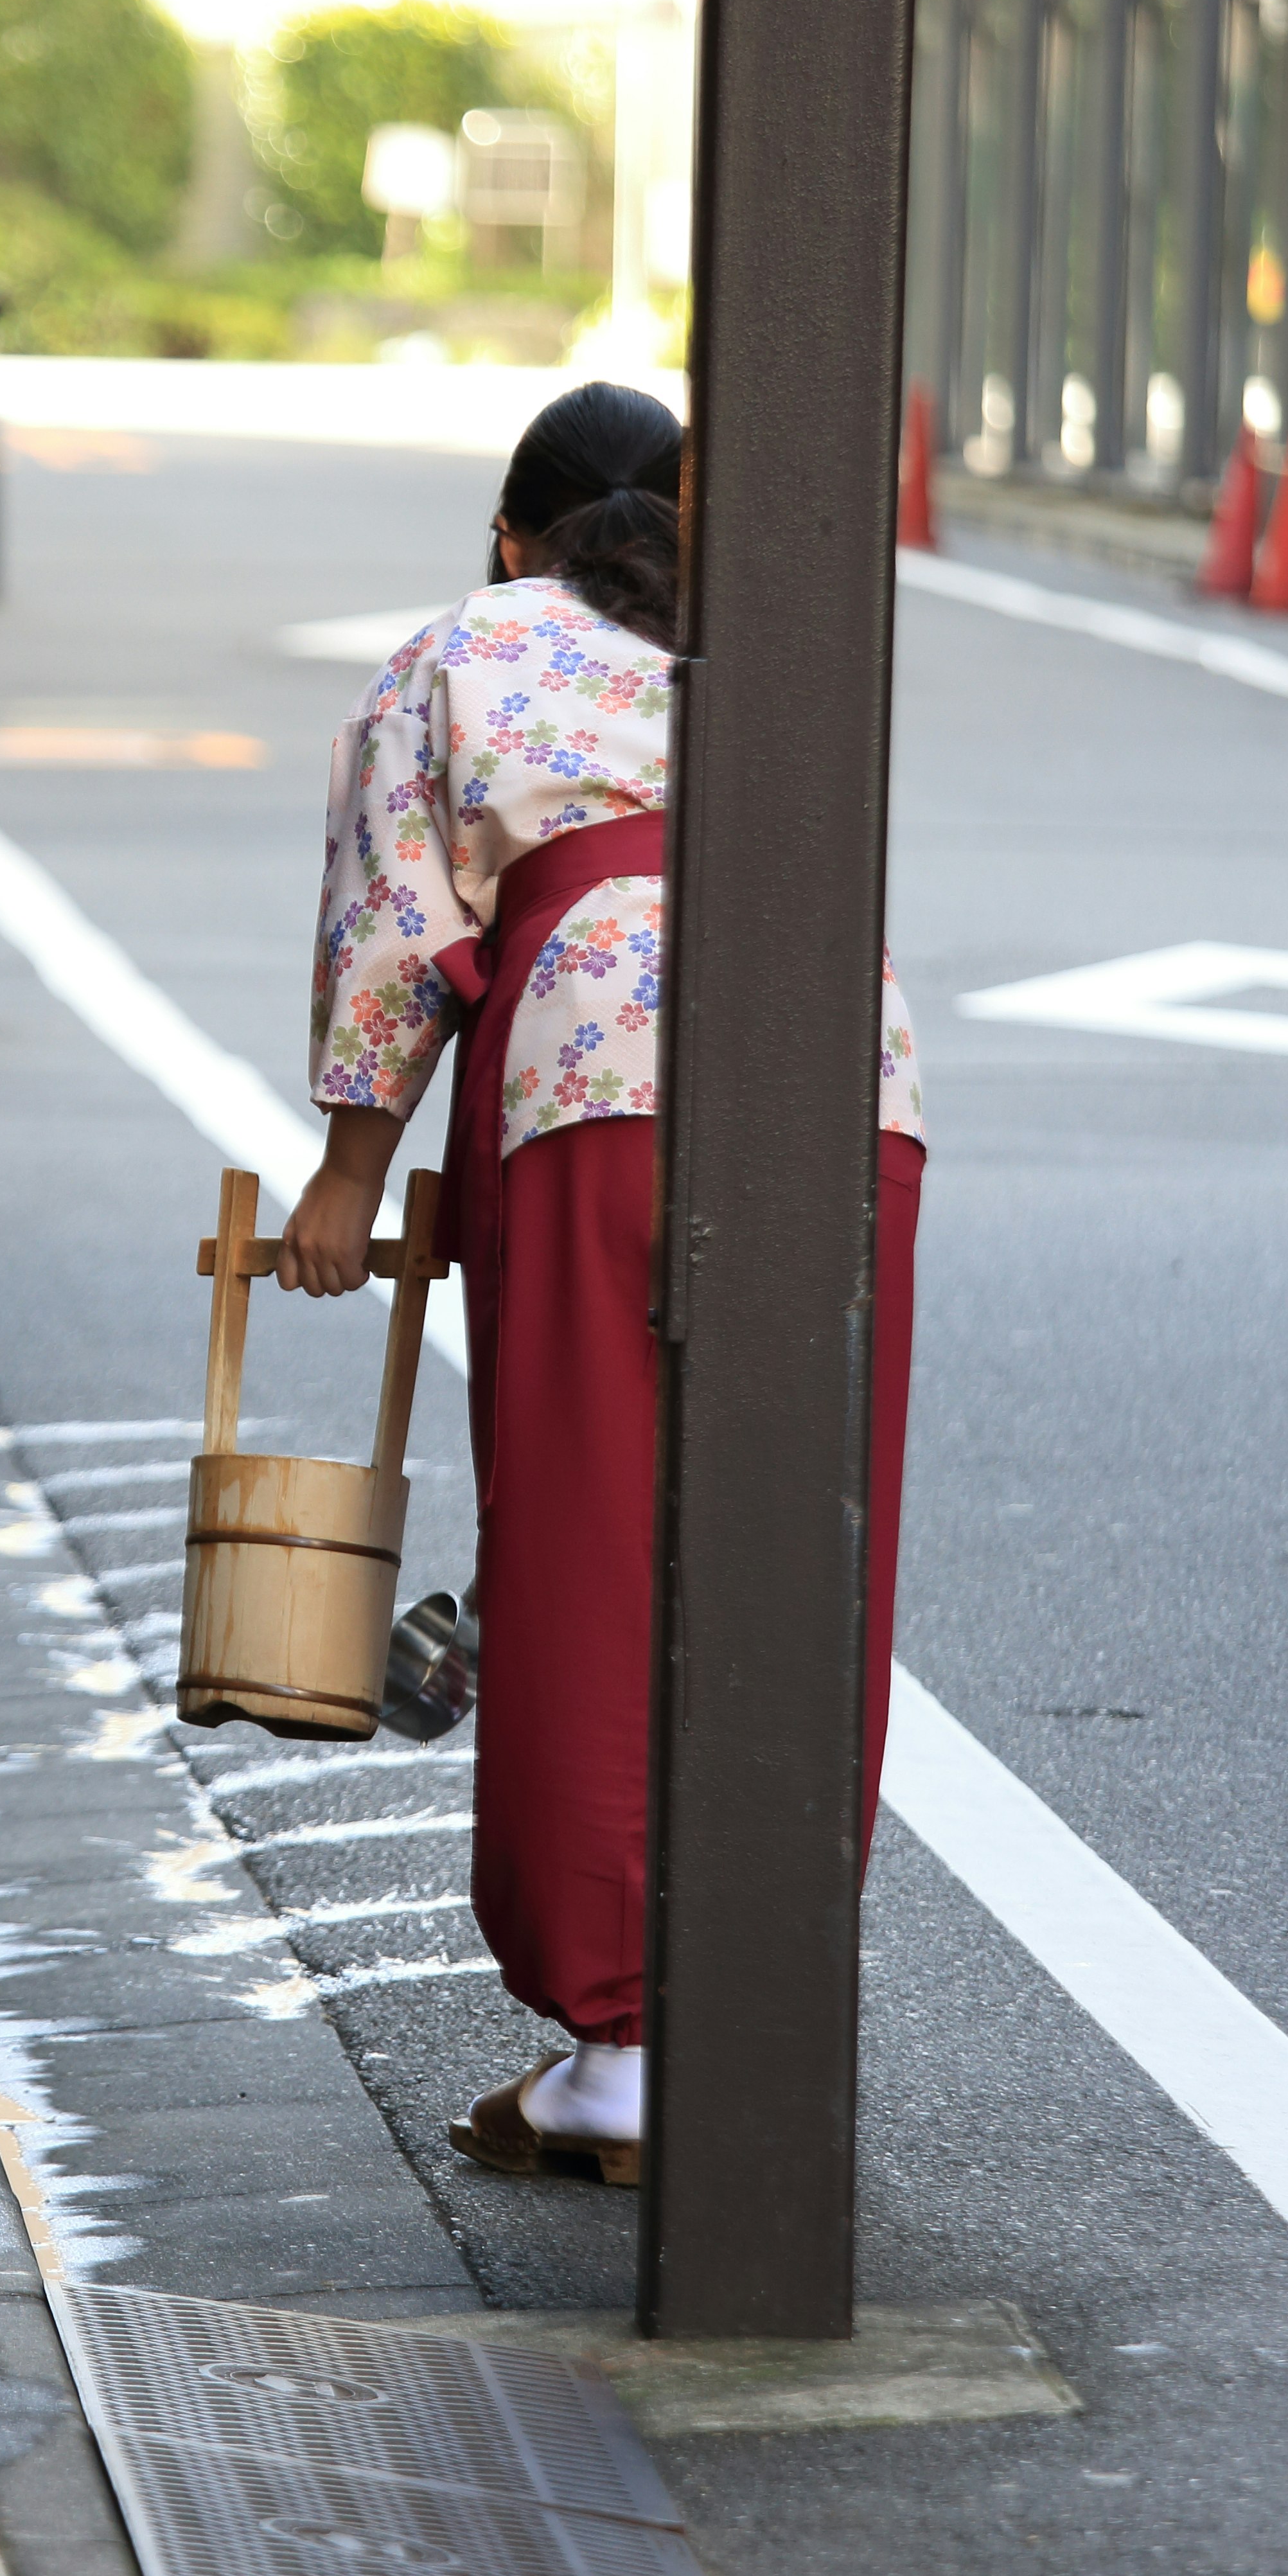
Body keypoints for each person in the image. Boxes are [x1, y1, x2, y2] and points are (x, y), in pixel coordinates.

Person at [274, 382, 924, 2187]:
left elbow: (397, 921)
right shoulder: (765, 639)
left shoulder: (466, 649)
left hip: (592, 1072)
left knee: (584, 1539)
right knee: (803, 1538)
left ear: (515, 534)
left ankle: (627, 2048)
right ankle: (755, 1999)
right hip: (843, 1070)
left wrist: (350, 1173)